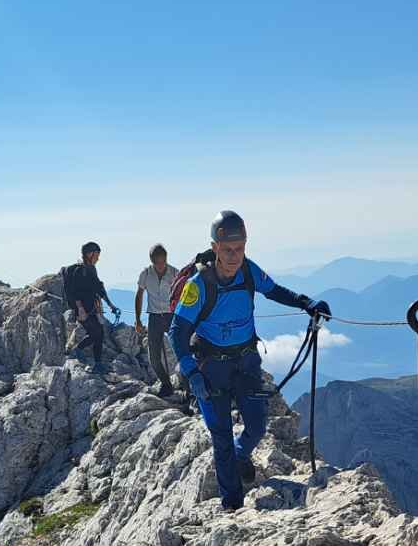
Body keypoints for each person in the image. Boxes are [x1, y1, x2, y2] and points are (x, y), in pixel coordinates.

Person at [171, 210, 330, 511]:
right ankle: (231, 505)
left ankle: (241, 454)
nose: (234, 256)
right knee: (221, 437)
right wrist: (192, 373)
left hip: (245, 362)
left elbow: (274, 290)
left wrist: (306, 303)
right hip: (210, 368)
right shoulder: (198, 284)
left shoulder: (248, 271)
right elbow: (177, 331)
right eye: (227, 250)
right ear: (215, 247)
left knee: (256, 426)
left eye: (240, 248)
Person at [62, 242, 121, 373]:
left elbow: (99, 288)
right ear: (90, 254)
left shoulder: (91, 269)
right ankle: (81, 352)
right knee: (97, 333)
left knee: (98, 333)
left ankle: (94, 362)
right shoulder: (80, 271)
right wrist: (80, 309)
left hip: (91, 307)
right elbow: (74, 292)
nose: (98, 258)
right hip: (82, 309)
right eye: (97, 255)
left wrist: (111, 305)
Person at [135, 243, 180, 398]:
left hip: (171, 316)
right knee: (153, 357)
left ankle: (187, 386)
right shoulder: (146, 274)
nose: (161, 266)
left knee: (181, 351)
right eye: (157, 263)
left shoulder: (175, 273)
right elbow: (139, 295)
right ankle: (166, 384)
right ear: (152, 261)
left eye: (163, 262)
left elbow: (182, 296)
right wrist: (138, 320)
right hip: (154, 317)